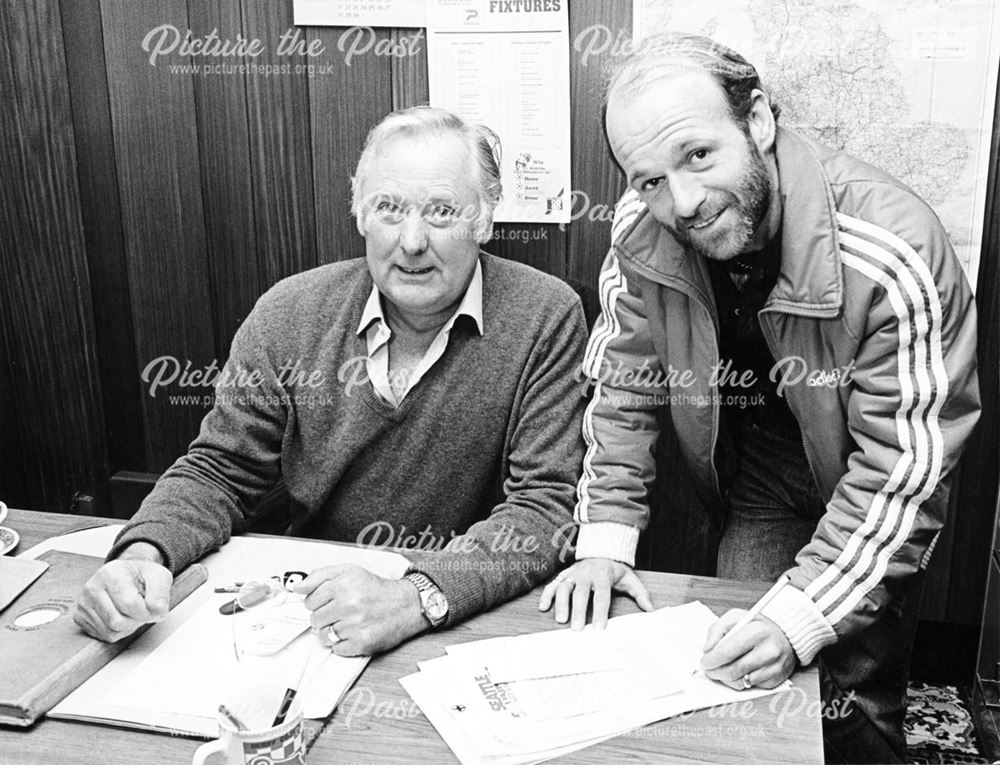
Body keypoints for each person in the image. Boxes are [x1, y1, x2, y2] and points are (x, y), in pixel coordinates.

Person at [538, 33, 980, 763]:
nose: (681, 201)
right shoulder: (642, 230)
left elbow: (902, 475)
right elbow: (623, 380)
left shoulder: (894, 249)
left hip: (874, 481)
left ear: (761, 121)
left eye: (699, 156)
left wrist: (802, 616)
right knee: (742, 679)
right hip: (766, 479)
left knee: (855, 700)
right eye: (647, 179)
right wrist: (605, 537)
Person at [75, 106, 587, 658]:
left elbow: (544, 505)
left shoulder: (545, 315)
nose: (411, 241)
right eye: (388, 208)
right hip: (305, 613)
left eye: (441, 212)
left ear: (484, 220)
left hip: (459, 618)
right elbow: (220, 470)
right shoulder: (289, 310)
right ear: (360, 214)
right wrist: (143, 553)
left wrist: (415, 597)